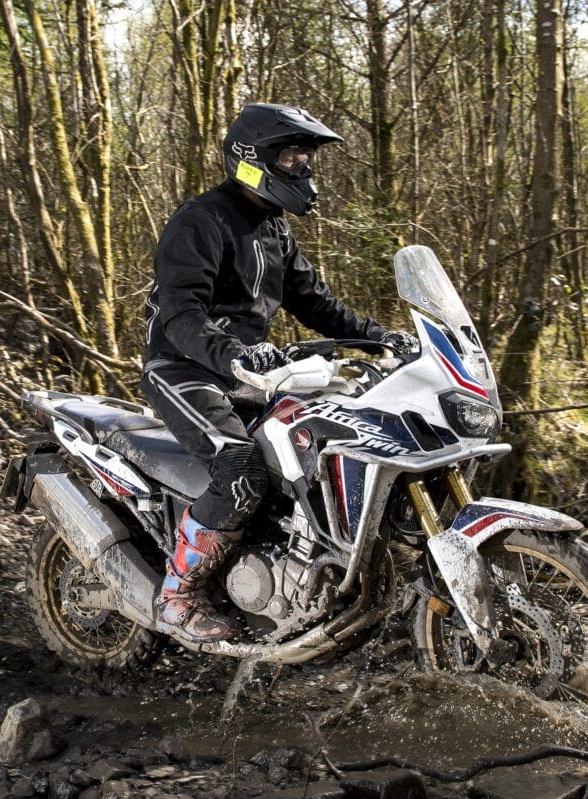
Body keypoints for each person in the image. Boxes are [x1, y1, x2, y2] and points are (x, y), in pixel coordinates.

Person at [139, 102, 417, 643]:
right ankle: (176, 596)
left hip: (250, 372)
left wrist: (381, 336)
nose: (303, 168)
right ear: (251, 158)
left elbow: (315, 302)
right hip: (185, 366)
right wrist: (232, 353)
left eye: (306, 159)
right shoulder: (200, 221)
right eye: (292, 157)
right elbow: (180, 312)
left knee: (312, 455)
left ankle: (286, 583)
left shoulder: (274, 229)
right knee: (241, 467)